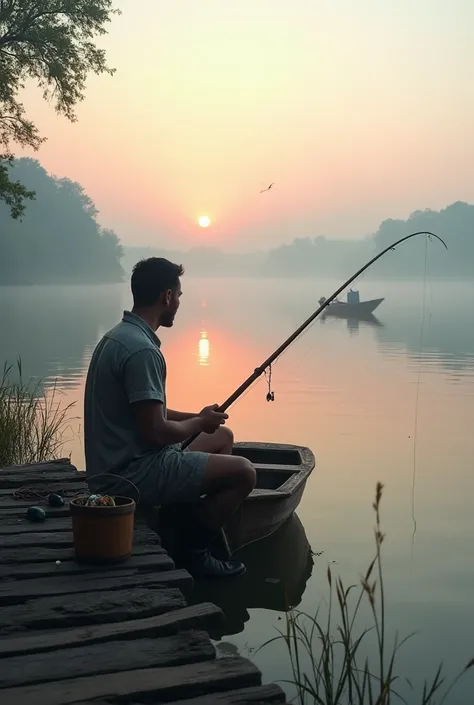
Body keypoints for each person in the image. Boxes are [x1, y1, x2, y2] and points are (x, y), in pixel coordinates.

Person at [83, 257, 256, 578]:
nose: (178, 302)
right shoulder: (143, 352)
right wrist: (198, 423)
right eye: (177, 295)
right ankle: (192, 551)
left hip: (115, 464)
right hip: (130, 474)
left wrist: (201, 418)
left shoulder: (118, 337)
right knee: (245, 473)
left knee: (223, 436)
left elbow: (149, 412)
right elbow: (156, 432)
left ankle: (181, 517)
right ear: (165, 297)